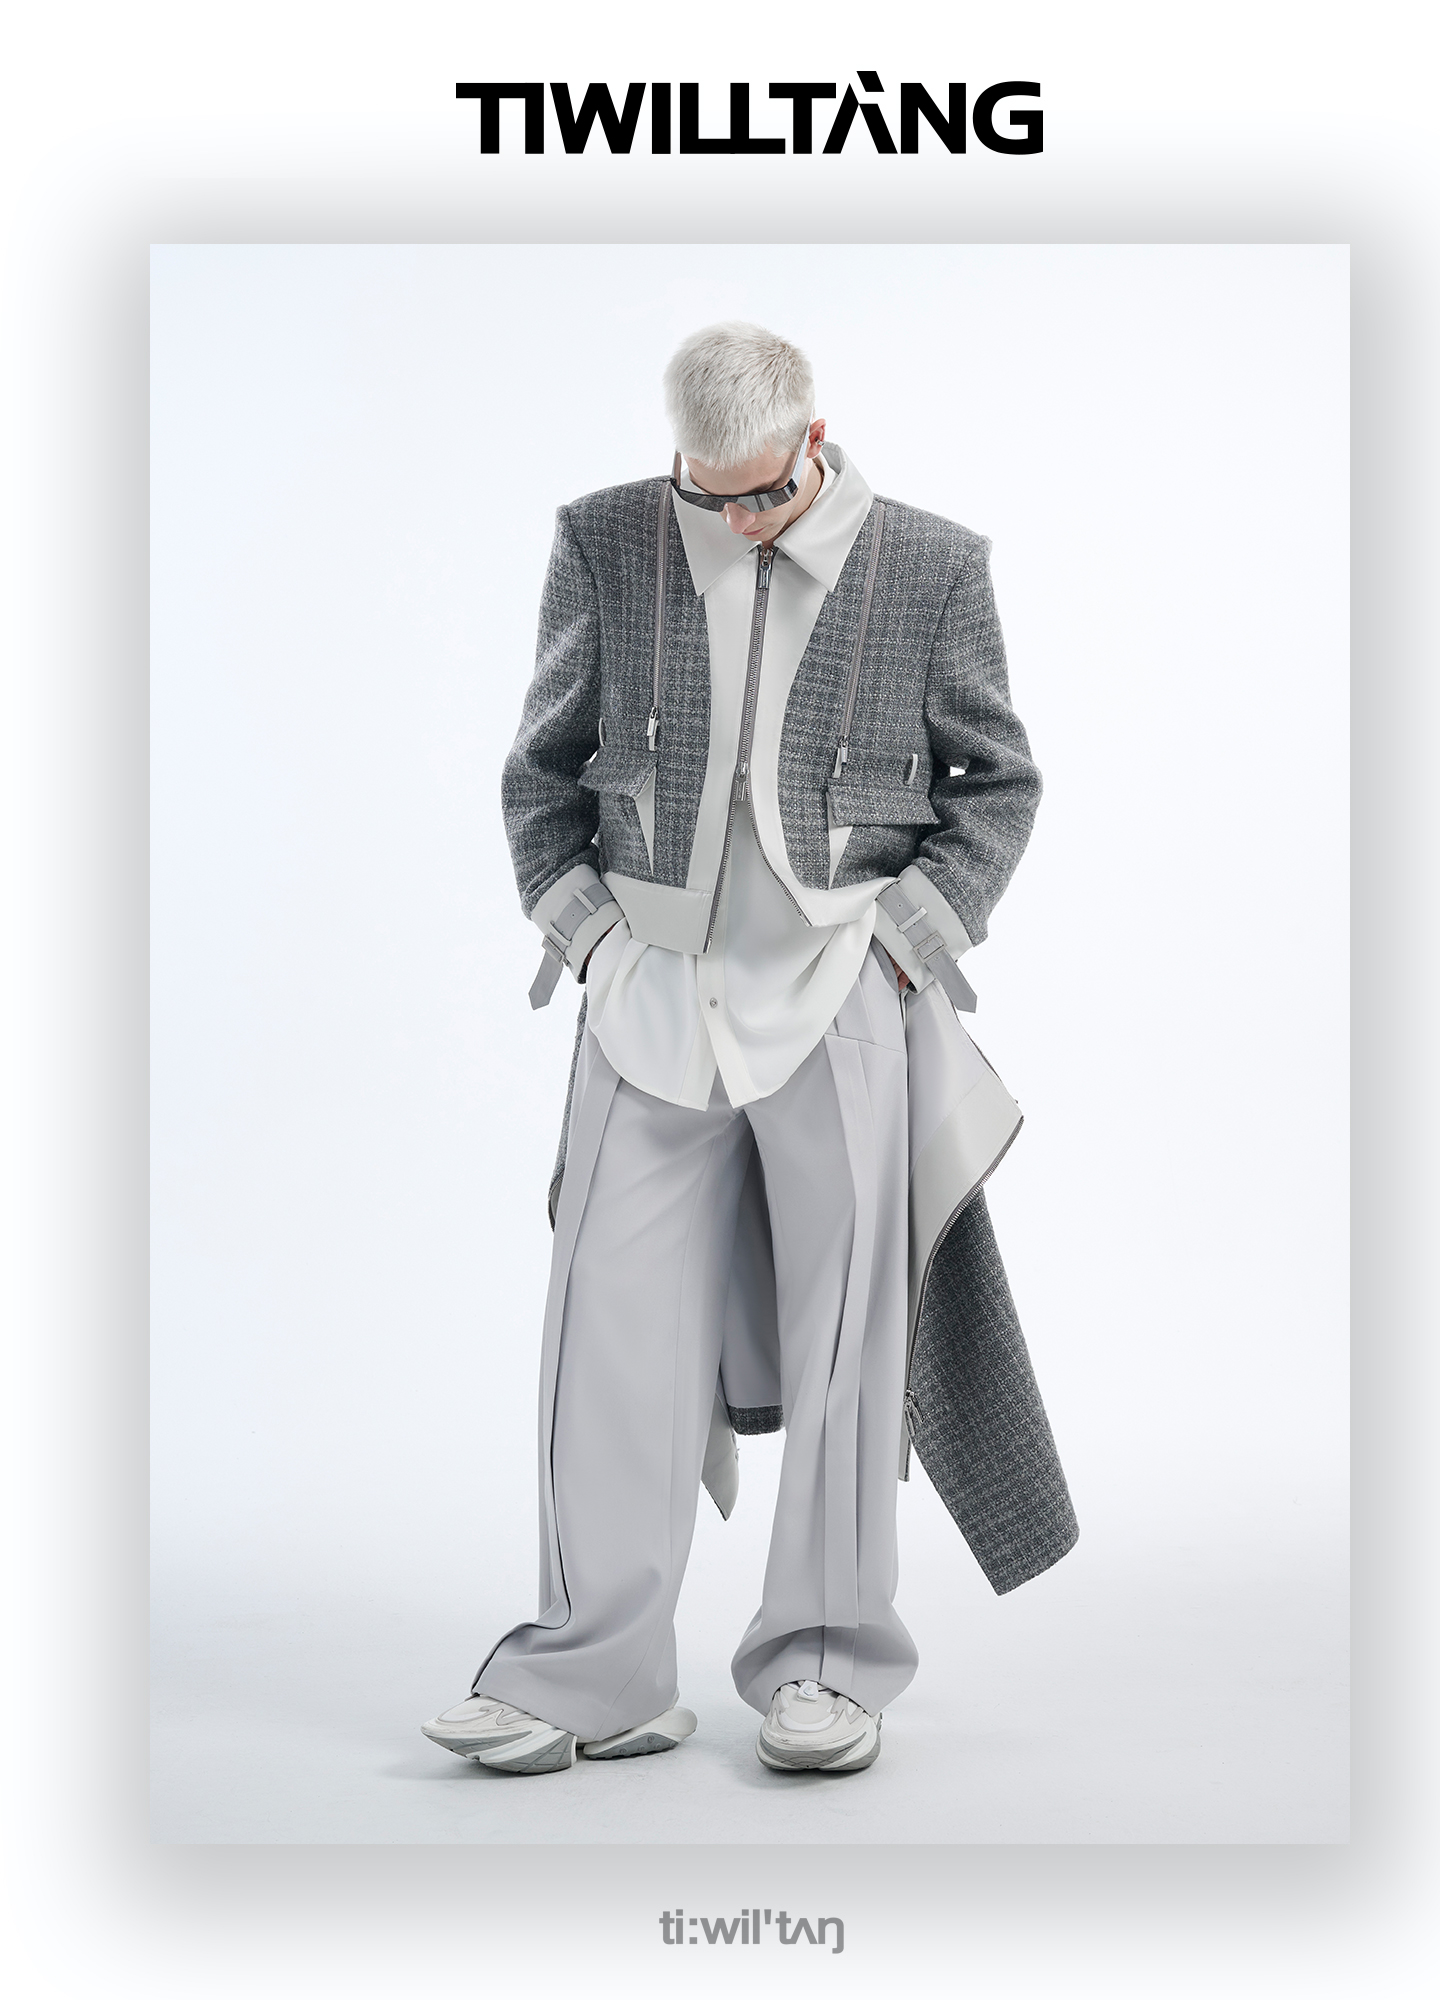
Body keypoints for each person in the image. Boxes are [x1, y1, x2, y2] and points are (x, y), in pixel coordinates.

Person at [421, 320, 1077, 1779]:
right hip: (646, 993)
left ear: (812, 441)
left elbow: (999, 781)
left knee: (853, 1339)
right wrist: (587, 932)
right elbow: (540, 767)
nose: (737, 521)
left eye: (764, 493)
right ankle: (593, 1674)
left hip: (842, 987)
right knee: (604, 1332)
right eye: (706, 495)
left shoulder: (931, 564)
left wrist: (907, 939)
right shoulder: (604, 541)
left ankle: (828, 1665)